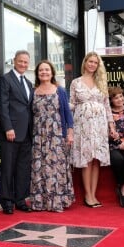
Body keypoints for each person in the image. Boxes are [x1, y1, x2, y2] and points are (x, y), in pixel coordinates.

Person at [70, 51, 118, 208]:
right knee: (87, 160)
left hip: (99, 125)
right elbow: (72, 104)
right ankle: (87, 195)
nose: (92, 64)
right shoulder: (76, 83)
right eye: (90, 61)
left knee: (96, 160)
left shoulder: (101, 82)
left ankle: (94, 194)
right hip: (82, 125)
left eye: (95, 62)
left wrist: (111, 126)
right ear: (85, 62)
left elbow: (107, 106)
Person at [29, 60, 74, 212]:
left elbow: (67, 113)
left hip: (56, 135)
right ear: (37, 73)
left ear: (52, 72)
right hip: (38, 136)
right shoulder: (32, 91)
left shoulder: (59, 90)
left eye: (47, 70)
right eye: (41, 70)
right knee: (39, 168)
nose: (44, 72)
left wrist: (70, 132)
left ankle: (57, 201)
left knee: (56, 167)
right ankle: (40, 202)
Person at [0, 50, 33, 214]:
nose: (23, 64)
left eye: (26, 62)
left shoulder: (28, 83)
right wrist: (8, 128)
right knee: (8, 168)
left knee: (23, 168)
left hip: (26, 133)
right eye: (20, 61)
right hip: (10, 133)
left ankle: (20, 199)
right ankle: (7, 202)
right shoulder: (5, 79)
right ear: (14, 61)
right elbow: (2, 106)